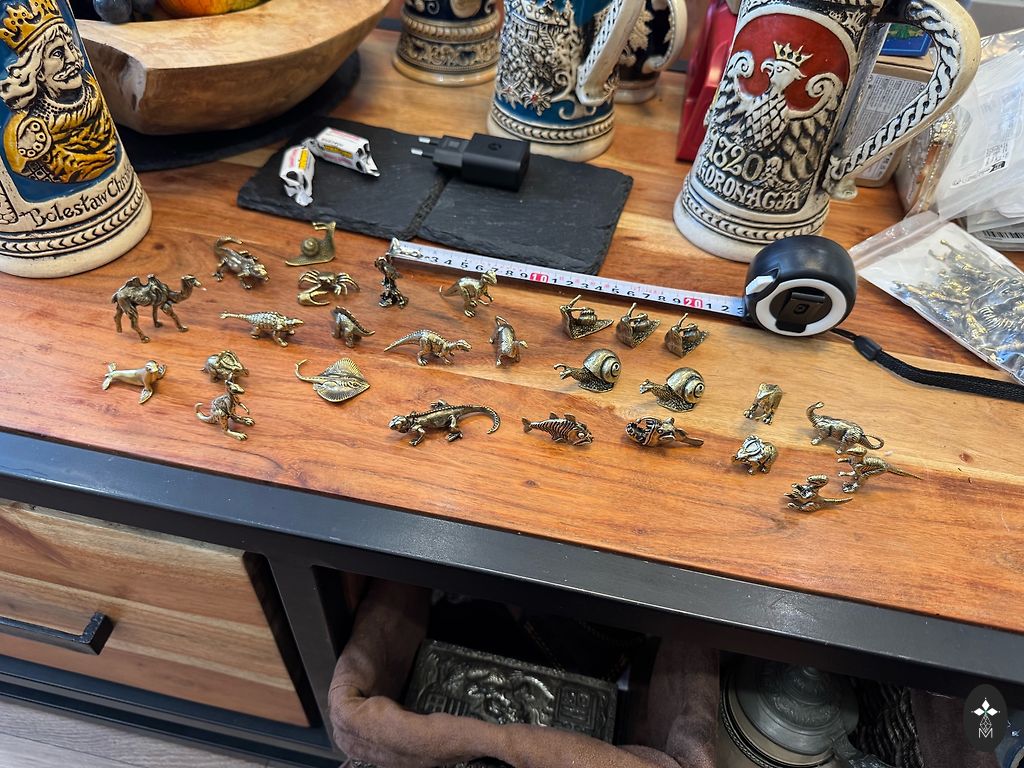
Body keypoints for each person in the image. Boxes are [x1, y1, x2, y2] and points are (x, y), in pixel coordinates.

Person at [1, 0, 117, 184]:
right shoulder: (28, 137)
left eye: (71, 46)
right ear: (36, 72)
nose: (72, 58)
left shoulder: (92, 94)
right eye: (57, 53)